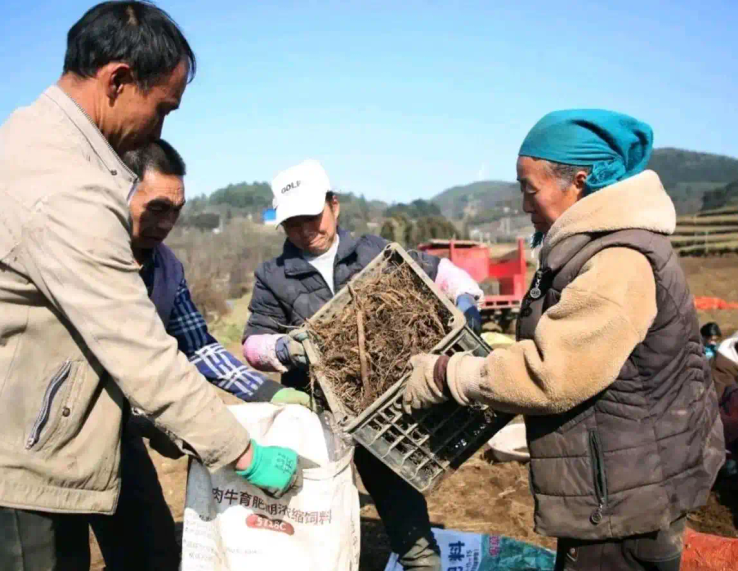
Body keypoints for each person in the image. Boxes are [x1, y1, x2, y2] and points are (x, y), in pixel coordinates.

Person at [0, 4, 298, 570]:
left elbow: (185, 346)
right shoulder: (63, 184)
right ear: (118, 80)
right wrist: (242, 452)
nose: (158, 130)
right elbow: (136, 348)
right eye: (161, 109)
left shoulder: (31, 146)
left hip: (29, 457)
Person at [404, 109, 724, 571]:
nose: (522, 204)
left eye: (528, 188)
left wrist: (444, 373)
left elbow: (553, 373)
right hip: (620, 488)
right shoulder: (594, 248)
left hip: (624, 505)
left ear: (578, 181)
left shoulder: (617, 261)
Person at [242, 159, 484, 571]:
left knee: (396, 491)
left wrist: (465, 295)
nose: (305, 230)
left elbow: (439, 270)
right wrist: (283, 349)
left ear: (333, 206)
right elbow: (251, 343)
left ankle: (421, 562)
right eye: (293, 223)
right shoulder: (273, 275)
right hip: (318, 408)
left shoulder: (373, 250)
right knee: (315, 500)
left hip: (381, 408)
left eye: (312, 217)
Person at [89, 139, 310, 570]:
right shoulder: (88, 257)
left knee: (150, 551)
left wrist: (267, 392)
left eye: (176, 210)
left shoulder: (167, 267)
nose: (167, 222)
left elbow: (199, 347)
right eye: (156, 208)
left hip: (120, 438)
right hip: (55, 436)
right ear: (120, 194)